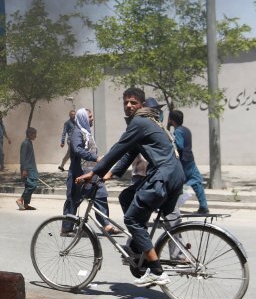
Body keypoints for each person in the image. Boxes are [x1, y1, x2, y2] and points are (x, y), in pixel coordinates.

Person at [76, 87, 184, 287]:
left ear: (141, 105)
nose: (128, 106)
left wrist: (94, 172)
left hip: (163, 176)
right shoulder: (150, 121)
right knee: (126, 197)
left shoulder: (139, 122)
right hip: (174, 175)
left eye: (133, 102)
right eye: (125, 102)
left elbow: (118, 148)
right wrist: (111, 173)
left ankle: (157, 271)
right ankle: (139, 243)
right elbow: (129, 152)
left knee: (132, 218)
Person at [63, 108, 118, 235]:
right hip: (80, 173)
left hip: (93, 173)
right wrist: (96, 158)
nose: (92, 119)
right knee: (73, 199)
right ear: (83, 118)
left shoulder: (87, 133)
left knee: (101, 196)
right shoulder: (77, 132)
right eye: (90, 117)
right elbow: (77, 149)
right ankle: (66, 227)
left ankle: (106, 225)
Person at [167, 110, 209, 214]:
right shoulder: (186, 130)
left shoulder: (178, 132)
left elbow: (180, 146)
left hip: (183, 162)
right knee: (197, 181)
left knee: (176, 184)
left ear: (171, 120)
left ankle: (169, 207)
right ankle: (203, 207)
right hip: (190, 159)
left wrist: (172, 141)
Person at [16, 127, 39, 210]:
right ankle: (20, 199)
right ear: (29, 134)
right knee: (32, 185)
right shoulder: (25, 143)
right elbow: (23, 157)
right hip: (27, 169)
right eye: (34, 134)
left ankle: (26, 205)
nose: (35, 136)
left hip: (31, 168)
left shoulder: (29, 142)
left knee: (28, 186)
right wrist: (24, 169)